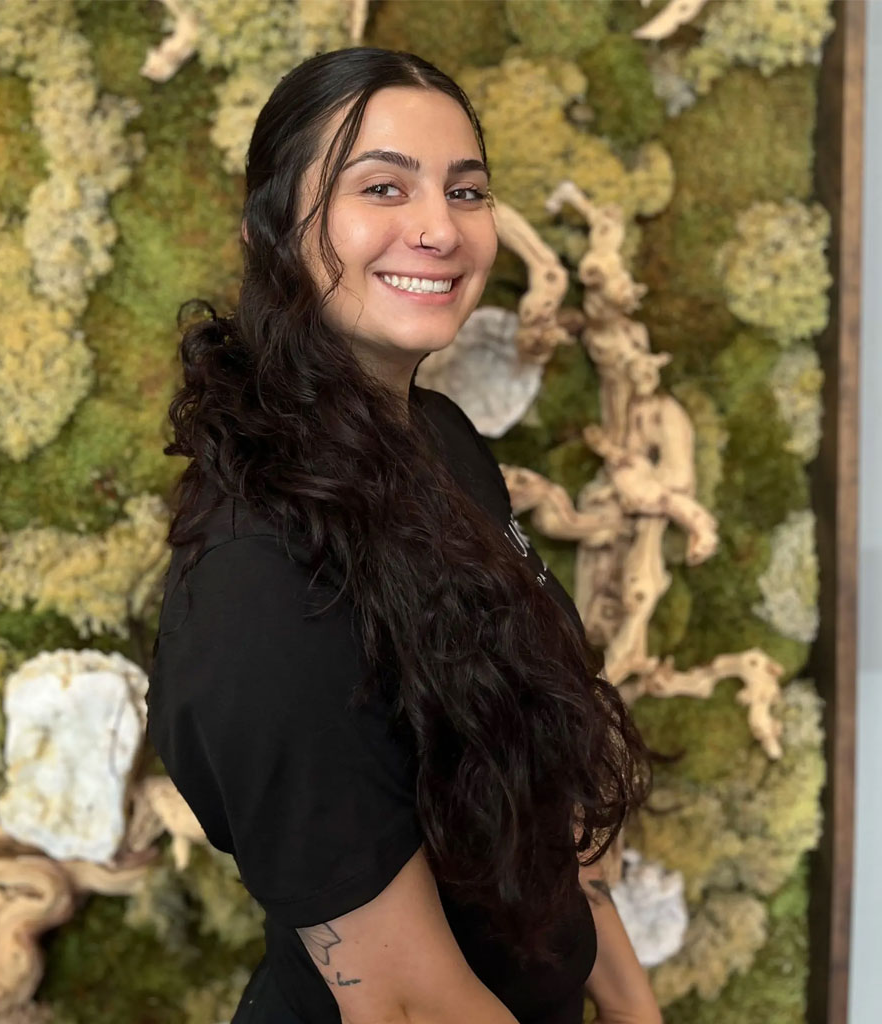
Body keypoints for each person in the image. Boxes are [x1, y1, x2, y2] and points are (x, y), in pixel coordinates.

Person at [147, 47, 661, 1024]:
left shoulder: (440, 442)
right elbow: (405, 1003)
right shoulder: (259, 575)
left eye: (465, 191)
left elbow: (543, 793)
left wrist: (638, 1012)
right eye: (382, 185)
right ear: (276, 225)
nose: (438, 227)